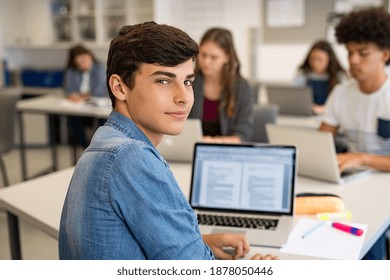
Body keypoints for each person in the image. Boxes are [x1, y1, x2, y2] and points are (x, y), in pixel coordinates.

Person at [58, 21, 278, 260]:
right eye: (163, 81)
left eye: (188, 82)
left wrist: (198, 243)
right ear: (119, 88)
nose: (183, 97)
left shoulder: (106, 140)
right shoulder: (132, 158)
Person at [320, 7, 390, 260]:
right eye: (349, 52)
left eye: (363, 53)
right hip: (352, 184)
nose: (353, 61)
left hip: (384, 183)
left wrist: (360, 158)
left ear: (385, 53)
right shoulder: (341, 93)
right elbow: (321, 142)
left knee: (370, 228)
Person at [188, 27, 254, 143]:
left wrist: (214, 142)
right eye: (203, 55)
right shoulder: (190, 82)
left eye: (214, 57)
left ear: (227, 57)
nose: (206, 62)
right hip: (191, 150)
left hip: (226, 152)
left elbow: (243, 134)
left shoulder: (241, 88)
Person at [63, 44, 108, 148]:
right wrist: (72, 96)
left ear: (90, 57)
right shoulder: (72, 71)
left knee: (101, 122)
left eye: (84, 60)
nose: (82, 64)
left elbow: (98, 91)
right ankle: (84, 147)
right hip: (79, 106)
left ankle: (98, 147)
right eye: (79, 63)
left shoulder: (100, 68)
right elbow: (68, 89)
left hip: (98, 105)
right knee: (74, 119)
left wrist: (81, 96)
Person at [293, 39, 348, 113]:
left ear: (329, 60)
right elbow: (294, 99)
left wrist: (323, 109)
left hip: (330, 115)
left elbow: (344, 104)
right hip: (308, 115)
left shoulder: (339, 77)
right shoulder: (303, 75)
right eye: (312, 59)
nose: (315, 63)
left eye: (320, 60)